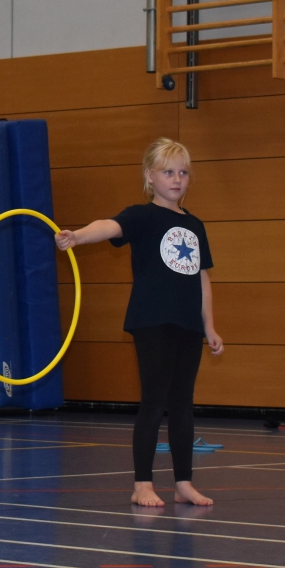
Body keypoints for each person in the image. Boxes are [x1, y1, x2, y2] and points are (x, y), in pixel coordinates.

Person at [55, 138, 221, 508]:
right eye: (168, 172)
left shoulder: (195, 225)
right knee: (154, 402)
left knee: (182, 405)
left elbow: (202, 278)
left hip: (188, 325)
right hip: (152, 321)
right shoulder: (143, 216)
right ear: (149, 176)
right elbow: (109, 226)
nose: (176, 179)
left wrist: (209, 325)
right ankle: (142, 484)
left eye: (183, 173)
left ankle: (183, 482)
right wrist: (77, 236)